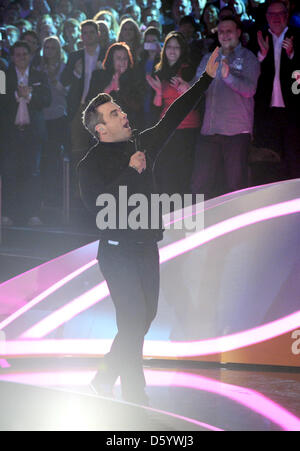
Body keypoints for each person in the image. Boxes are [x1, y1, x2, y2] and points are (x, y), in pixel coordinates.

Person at [78, 47, 221, 405]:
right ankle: (134, 395)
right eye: (114, 113)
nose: (123, 114)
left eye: (121, 109)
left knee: (143, 319)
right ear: (101, 129)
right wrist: (130, 172)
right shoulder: (88, 166)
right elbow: (99, 211)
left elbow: (173, 116)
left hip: (145, 248)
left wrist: (205, 80)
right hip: (116, 253)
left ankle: (104, 378)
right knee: (133, 320)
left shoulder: (142, 143)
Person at [191, 16, 260, 200]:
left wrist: (228, 76)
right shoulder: (209, 57)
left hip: (236, 133)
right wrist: (186, 87)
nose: (224, 35)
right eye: (221, 31)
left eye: (229, 31)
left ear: (238, 33)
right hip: (209, 132)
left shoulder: (248, 58)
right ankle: (199, 226)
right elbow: (197, 86)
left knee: (236, 188)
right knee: (199, 185)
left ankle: (240, 226)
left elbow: (249, 90)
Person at [1, 40, 51, 226]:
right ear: (12, 57)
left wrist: (29, 96)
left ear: (29, 56)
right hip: (10, 134)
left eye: (24, 54)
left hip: (32, 133)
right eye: (18, 54)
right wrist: (16, 95)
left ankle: (32, 213)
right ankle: (7, 214)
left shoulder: (40, 75)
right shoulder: (3, 76)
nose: (21, 57)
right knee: (9, 173)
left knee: (33, 173)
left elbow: (47, 99)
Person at [147, 31, 200, 197]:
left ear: (182, 50)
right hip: (167, 129)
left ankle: (183, 215)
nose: (172, 50)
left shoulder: (190, 70)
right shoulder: (159, 71)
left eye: (177, 47)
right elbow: (155, 108)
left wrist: (186, 89)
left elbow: (200, 98)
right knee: (165, 173)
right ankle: (167, 215)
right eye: (169, 46)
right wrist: (157, 93)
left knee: (182, 174)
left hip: (187, 128)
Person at [254, 0, 300, 180]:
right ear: (267, 17)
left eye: (280, 14)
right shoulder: (258, 36)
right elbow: (251, 71)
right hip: (268, 111)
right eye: (272, 15)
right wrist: (262, 56)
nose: (276, 18)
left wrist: (292, 55)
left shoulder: (297, 36)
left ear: (286, 16)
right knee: (271, 159)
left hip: (293, 110)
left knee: (294, 157)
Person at [86, 42, 142, 130]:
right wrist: (109, 88)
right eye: (118, 58)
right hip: (103, 127)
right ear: (111, 60)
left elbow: (137, 106)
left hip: (126, 126)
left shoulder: (134, 77)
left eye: (125, 58)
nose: (122, 62)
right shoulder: (98, 76)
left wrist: (119, 89)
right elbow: (90, 103)